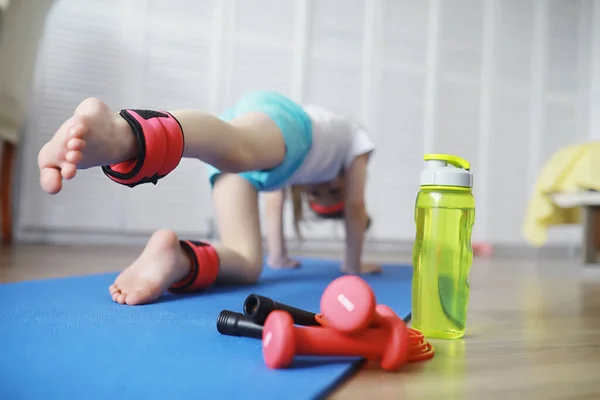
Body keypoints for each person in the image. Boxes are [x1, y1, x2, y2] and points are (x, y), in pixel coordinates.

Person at [37, 91, 381, 306]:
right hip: (285, 120)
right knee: (239, 147)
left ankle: (177, 259)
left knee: (247, 264)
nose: (324, 189)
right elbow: (355, 206)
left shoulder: (290, 169)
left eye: (320, 197)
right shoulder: (356, 138)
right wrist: (352, 264)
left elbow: (274, 198)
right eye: (331, 191)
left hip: (243, 145)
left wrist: (278, 256)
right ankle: (123, 135)